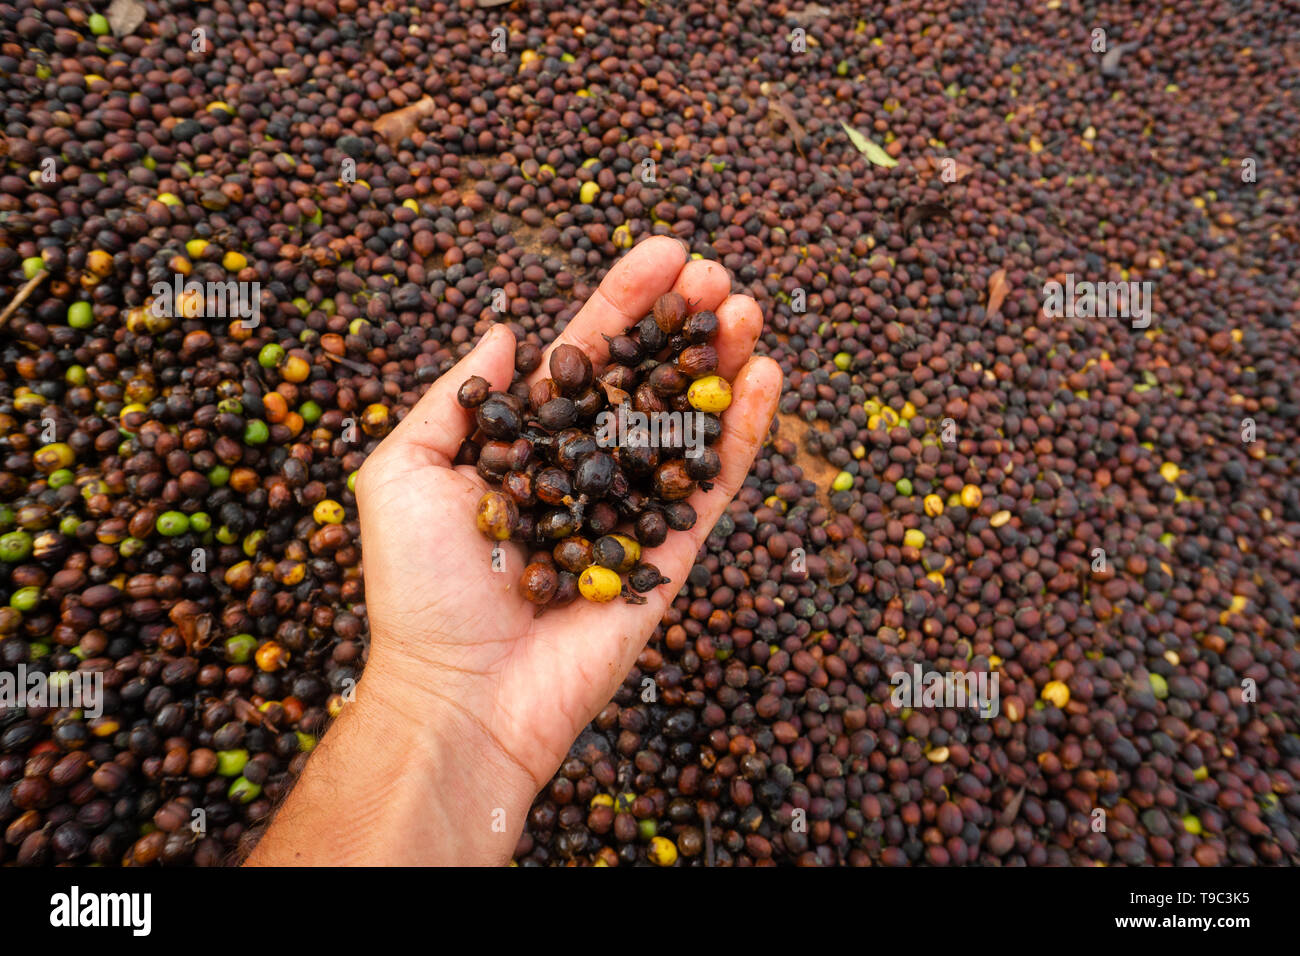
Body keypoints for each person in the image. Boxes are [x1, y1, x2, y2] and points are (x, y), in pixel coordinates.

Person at [247, 237, 782, 865]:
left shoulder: (620, 458)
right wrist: (429, 683)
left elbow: (625, 471)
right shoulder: (562, 476)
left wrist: (427, 694)